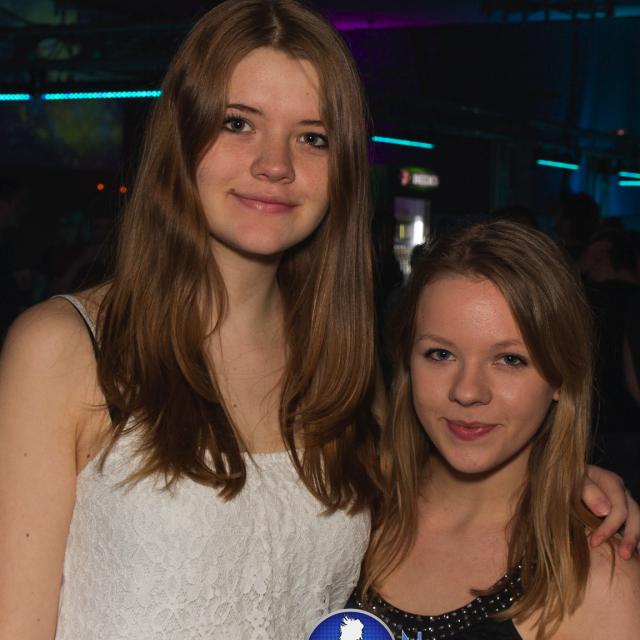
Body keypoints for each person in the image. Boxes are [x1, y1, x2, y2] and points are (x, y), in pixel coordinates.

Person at [0, 3, 636, 639]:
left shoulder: (341, 365)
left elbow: (439, 484)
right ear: (181, 136)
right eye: (237, 123)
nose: (274, 164)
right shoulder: (67, 350)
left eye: (312, 137)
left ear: (344, 169)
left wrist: (559, 474)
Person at [351, 220, 640, 639]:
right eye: (440, 354)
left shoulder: (595, 577)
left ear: (562, 378)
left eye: (510, 360)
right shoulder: (350, 508)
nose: (467, 392)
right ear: (406, 362)